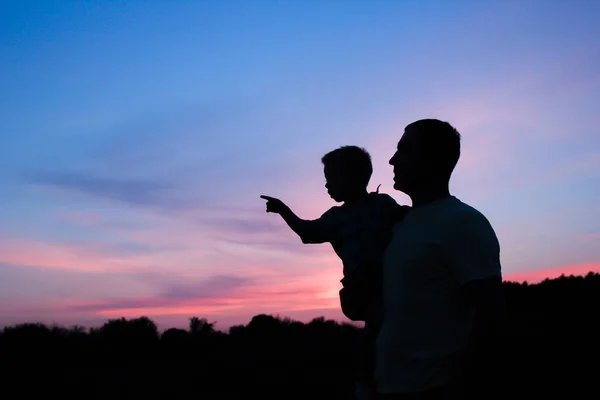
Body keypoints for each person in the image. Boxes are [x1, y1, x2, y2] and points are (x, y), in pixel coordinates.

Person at [260, 145, 409, 399]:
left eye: (331, 179)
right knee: (375, 330)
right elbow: (307, 232)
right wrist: (283, 210)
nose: (327, 185)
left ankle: (376, 382)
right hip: (360, 289)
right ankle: (366, 384)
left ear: (354, 177)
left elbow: (405, 221)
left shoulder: (383, 204)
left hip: (391, 285)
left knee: (381, 333)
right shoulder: (335, 217)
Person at [375, 119, 506, 399]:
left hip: (433, 389)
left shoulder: (462, 222)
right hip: (390, 385)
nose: (392, 160)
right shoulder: (400, 225)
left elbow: (490, 314)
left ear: (432, 160)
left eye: (405, 151)